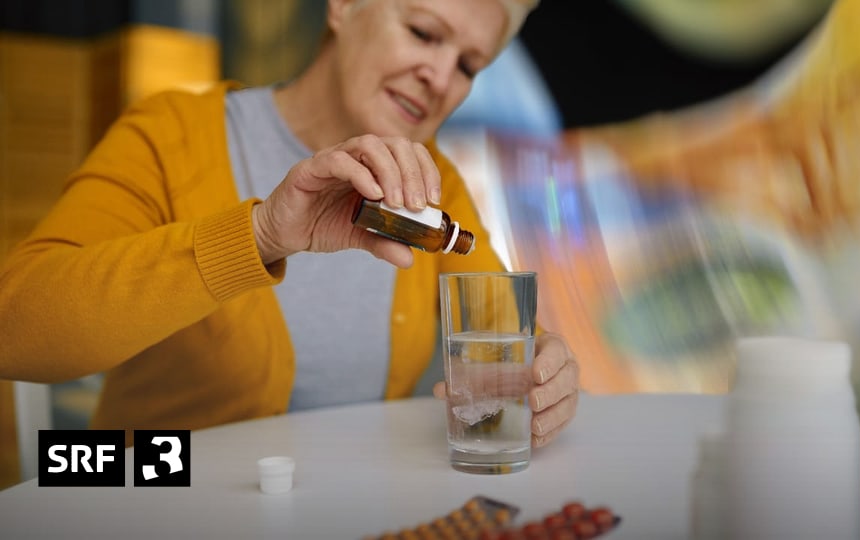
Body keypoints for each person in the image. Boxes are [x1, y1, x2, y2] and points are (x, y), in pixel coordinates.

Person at [0, 0, 579, 448]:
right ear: (342, 6)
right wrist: (257, 236)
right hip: (155, 492)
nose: (441, 76)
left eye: (469, 66)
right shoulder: (171, 134)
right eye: (424, 33)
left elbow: (503, 331)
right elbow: (12, 332)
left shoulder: (432, 186)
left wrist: (544, 368)